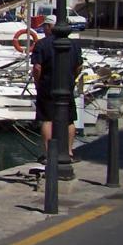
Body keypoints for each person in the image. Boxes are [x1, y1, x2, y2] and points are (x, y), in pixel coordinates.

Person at [30, 14, 82, 162]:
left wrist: (37, 83)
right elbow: (78, 66)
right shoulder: (74, 44)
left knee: (47, 119)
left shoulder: (42, 44)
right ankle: (69, 152)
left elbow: (37, 67)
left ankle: (48, 154)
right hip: (67, 85)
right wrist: (72, 78)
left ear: (49, 27)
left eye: (45, 26)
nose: (44, 29)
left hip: (47, 85)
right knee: (69, 120)